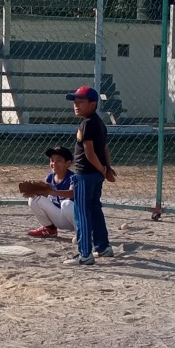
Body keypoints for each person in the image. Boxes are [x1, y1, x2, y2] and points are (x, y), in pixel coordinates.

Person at [63, 85, 117, 266]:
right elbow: (105, 148)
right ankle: (103, 247)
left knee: (82, 214)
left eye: (81, 102)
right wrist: (106, 168)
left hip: (85, 174)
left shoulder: (86, 123)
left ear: (93, 104)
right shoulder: (99, 122)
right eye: (75, 102)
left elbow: (89, 152)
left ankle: (85, 254)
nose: (76, 105)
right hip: (96, 175)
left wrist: (103, 169)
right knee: (95, 210)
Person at [26, 145, 75, 238]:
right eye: (52, 160)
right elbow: (44, 195)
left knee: (66, 204)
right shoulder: (50, 177)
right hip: (59, 217)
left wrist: (51, 192)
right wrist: (36, 191)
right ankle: (49, 229)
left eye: (59, 160)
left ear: (68, 163)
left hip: (74, 218)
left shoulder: (73, 177)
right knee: (34, 199)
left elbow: (72, 193)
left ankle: (82, 233)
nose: (54, 163)